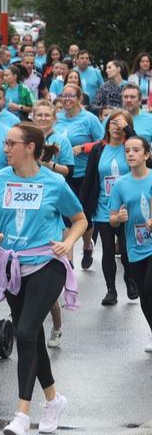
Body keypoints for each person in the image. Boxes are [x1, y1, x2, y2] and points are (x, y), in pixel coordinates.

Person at [0, 123, 87, 435]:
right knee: (29, 335)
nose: (5, 148)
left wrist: (69, 242)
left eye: (11, 143)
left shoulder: (54, 182)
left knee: (25, 331)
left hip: (48, 263)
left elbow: (80, 219)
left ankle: (22, 414)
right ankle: (53, 400)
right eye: (5, 143)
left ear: (30, 147)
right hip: (12, 267)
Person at [79, 110, 136, 305]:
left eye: (121, 124)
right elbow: (89, 178)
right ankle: (111, 290)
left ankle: (129, 279)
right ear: (107, 126)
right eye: (113, 123)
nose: (116, 127)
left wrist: (129, 130)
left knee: (126, 250)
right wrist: (81, 207)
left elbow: (146, 155)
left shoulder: (130, 148)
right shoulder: (99, 149)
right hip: (104, 207)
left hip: (127, 209)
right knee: (108, 249)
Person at [108, 135, 152, 353]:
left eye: (136, 150)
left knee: (150, 286)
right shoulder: (121, 184)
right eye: (127, 151)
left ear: (147, 154)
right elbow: (112, 218)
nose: (131, 154)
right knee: (145, 296)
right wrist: (119, 217)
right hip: (135, 246)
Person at [54, 83, 104, 269]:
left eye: (71, 96)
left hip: (85, 174)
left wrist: (83, 148)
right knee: (67, 217)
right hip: (63, 174)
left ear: (80, 98)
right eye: (64, 96)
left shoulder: (89, 119)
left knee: (84, 215)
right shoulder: (57, 118)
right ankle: (69, 261)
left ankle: (87, 245)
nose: (67, 99)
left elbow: (104, 142)